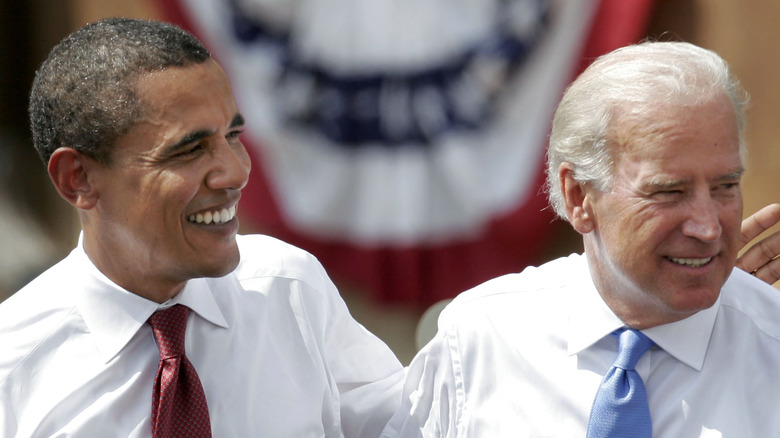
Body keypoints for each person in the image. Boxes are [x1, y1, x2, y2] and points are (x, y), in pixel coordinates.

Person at [0, 18, 404, 437]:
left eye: (233, 135)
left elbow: (410, 426)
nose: (236, 172)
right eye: (190, 150)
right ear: (77, 179)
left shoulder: (288, 290)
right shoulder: (13, 371)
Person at [381, 41, 780, 437]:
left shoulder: (770, 348)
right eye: (668, 192)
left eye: (725, 186)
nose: (708, 227)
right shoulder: (480, 340)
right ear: (579, 196)